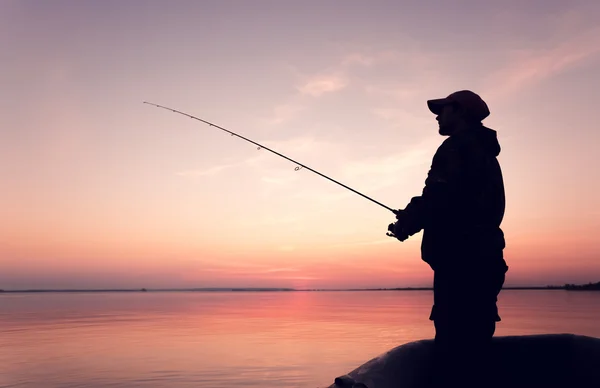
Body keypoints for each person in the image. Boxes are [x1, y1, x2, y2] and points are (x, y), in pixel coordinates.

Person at [387, 90, 509, 387]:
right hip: (485, 258)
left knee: (454, 343)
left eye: (443, 110)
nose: (438, 116)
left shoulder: (456, 148)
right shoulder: (482, 151)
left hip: (460, 261)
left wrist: (408, 222)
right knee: (477, 338)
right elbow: (456, 199)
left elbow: (440, 197)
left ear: (461, 112)